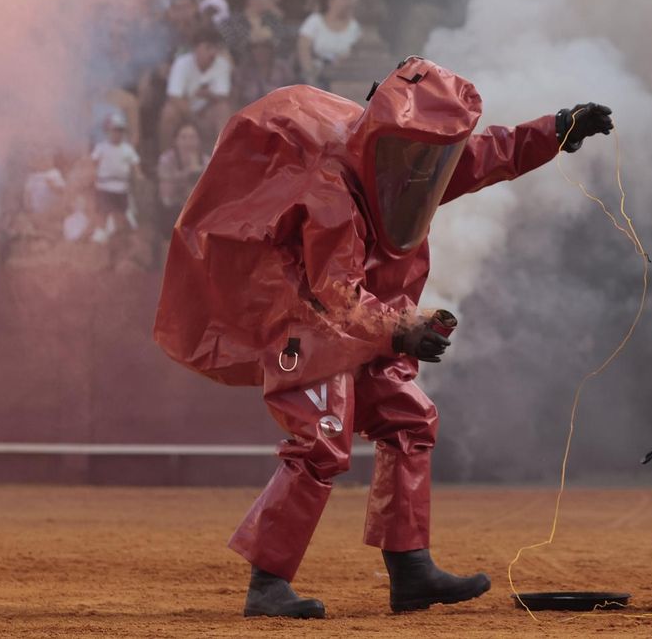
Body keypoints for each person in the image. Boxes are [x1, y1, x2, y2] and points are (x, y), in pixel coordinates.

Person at [155, 58, 612, 618]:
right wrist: (403, 329)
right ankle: (267, 584)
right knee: (321, 439)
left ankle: (411, 569)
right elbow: (337, 295)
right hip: (304, 321)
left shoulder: (406, 163)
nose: (427, 166)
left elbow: (479, 157)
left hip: (365, 320)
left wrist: (558, 128)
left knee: (409, 420)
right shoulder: (332, 190)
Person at [90, 113, 141, 242]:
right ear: (107, 131)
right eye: (114, 130)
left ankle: (122, 233)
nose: (117, 133)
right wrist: (92, 175)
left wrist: (139, 175)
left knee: (123, 212)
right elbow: (93, 163)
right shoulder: (101, 147)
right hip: (104, 186)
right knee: (103, 210)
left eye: (119, 130)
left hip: (121, 187)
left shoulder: (127, 149)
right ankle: (101, 232)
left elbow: (135, 164)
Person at [297, 0, 360, 85]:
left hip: (344, 79)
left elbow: (357, 55)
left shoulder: (354, 27)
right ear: (331, 1)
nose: (349, 2)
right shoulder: (314, 21)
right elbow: (303, 49)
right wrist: (310, 77)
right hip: (316, 77)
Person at [155, 120, 207, 222]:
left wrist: (198, 174)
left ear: (199, 141)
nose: (188, 142)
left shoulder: (206, 161)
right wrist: (187, 174)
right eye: (183, 137)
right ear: (176, 141)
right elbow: (166, 196)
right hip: (172, 211)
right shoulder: (166, 160)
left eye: (192, 137)